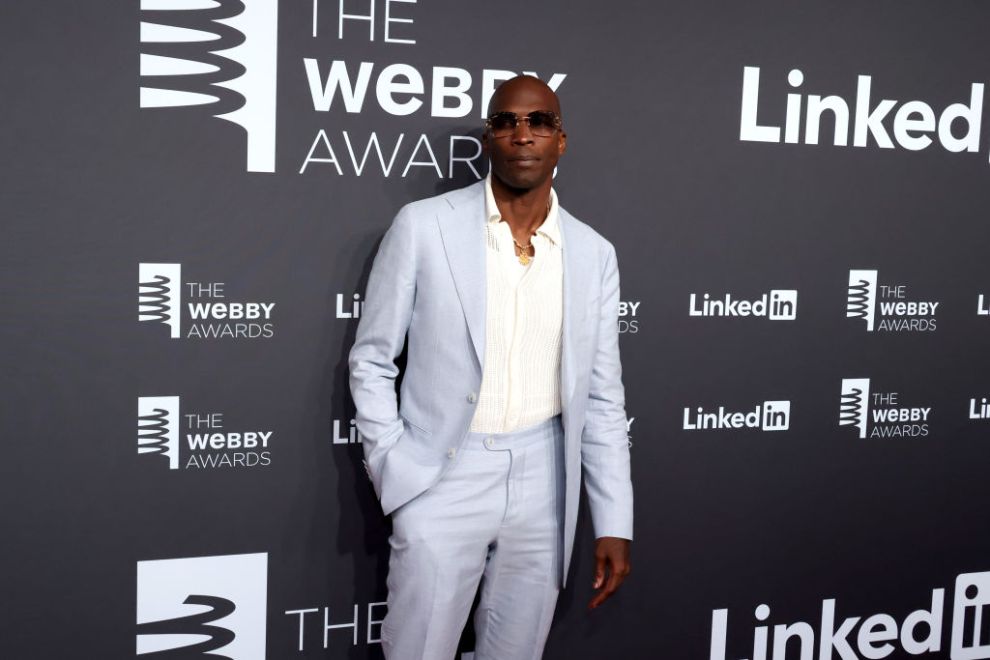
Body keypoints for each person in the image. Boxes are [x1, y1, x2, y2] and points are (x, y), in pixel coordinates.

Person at [348, 75, 633, 660]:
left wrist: (614, 519)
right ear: (488, 137)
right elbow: (372, 358)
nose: (521, 135)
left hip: (546, 479)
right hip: (442, 475)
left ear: (561, 141)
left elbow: (602, 398)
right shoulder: (424, 226)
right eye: (506, 121)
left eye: (539, 122)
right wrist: (394, 468)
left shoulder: (593, 253)